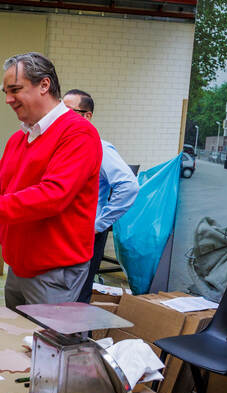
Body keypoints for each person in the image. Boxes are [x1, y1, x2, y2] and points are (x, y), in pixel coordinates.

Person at [0, 52, 102, 311]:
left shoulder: (78, 133)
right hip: (20, 268)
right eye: (5, 92)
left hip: (54, 273)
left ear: (44, 85)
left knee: (47, 346)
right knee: (17, 345)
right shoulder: (19, 139)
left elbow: (52, 196)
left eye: (15, 90)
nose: (8, 99)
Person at [62, 89, 139, 303]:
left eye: (69, 111)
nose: (62, 116)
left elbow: (128, 186)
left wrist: (99, 224)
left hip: (86, 234)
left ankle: (76, 336)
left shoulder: (99, 147)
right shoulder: (63, 146)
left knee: (76, 297)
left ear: (87, 116)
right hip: (63, 233)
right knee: (58, 296)